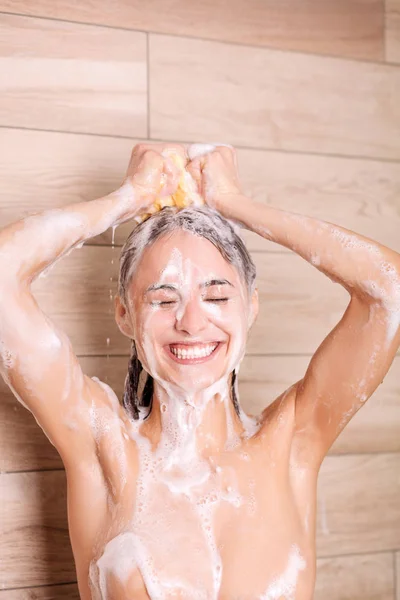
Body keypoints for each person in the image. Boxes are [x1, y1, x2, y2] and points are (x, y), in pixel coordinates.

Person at [0, 143, 399, 599]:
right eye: (164, 300)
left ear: (250, 308)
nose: (191, 323)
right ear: (125, 315)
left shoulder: (292, 443)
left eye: (216, 296)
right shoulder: (102, 449)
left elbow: (390, 291)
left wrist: (238, 206)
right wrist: (127, 199)